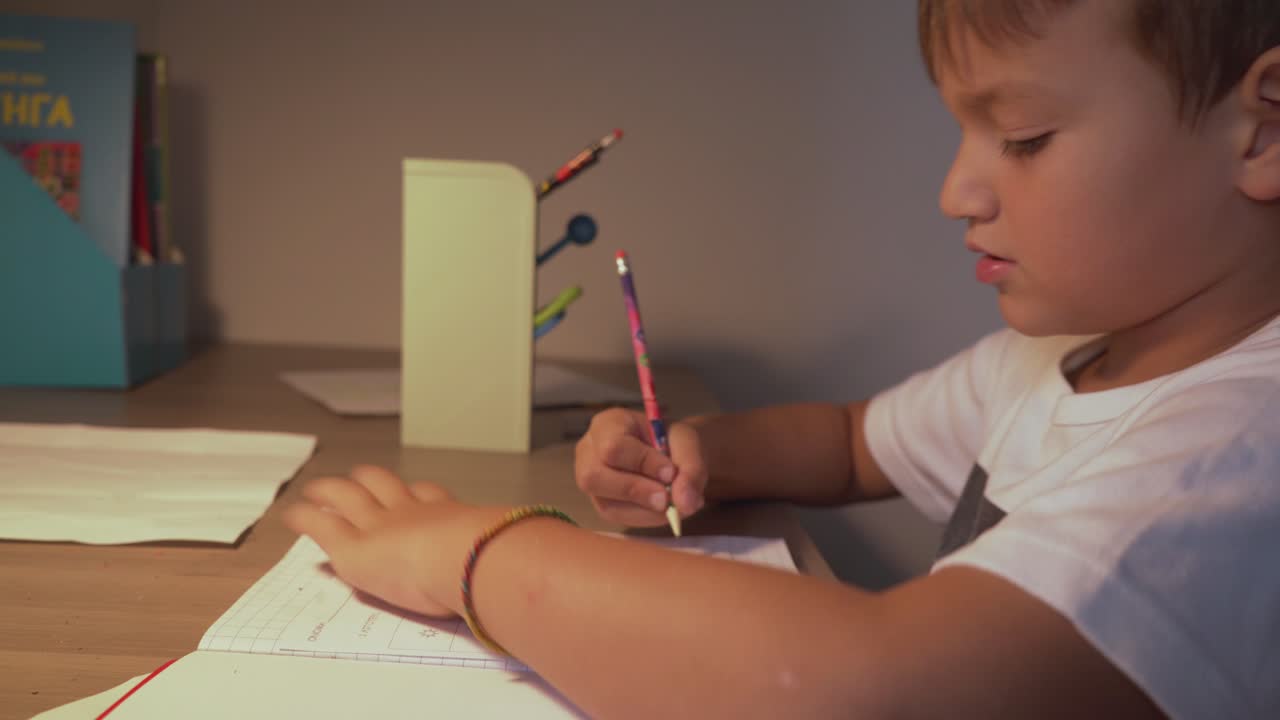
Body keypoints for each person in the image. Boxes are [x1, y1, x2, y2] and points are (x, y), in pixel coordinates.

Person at [283, 1, 1280, 717]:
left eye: (1020, 137)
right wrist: (705, 453)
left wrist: (471, 553)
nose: (955, 191)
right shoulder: (1054, 363)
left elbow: (864, 686)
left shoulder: (1231, 458)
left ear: (1261, 130)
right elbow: (850, 446)